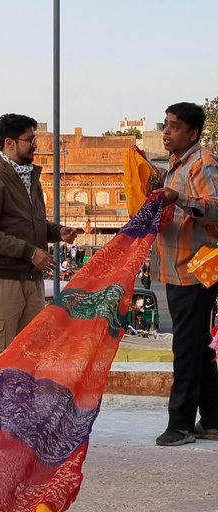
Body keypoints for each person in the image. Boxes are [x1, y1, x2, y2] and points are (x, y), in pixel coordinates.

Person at [0, 114, 77, 369]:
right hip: (3, 280)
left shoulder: (30, 179)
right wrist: (30, 252)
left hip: (31, 279)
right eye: (29, 140)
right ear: (9, 143)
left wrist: (58, 232)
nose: (35, 145)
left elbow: (31, 223)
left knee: (30, 353)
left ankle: (19, 409)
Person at [151, 102, 218, 446]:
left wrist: (180, 198)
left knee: (187, 350)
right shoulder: (176, 165)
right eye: (165, 125)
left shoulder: (202, 162)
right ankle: (212, 419)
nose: (166, 132)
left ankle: (179, 425)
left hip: (194, 270)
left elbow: (216, 206)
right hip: (175, 270)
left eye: (174, 126)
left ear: (192, 133)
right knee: (197, 346)